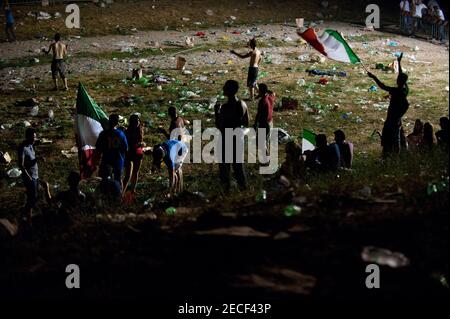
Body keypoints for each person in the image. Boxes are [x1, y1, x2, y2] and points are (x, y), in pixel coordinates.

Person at [368, 53, 409, 158]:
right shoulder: (405, 90)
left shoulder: (395, 91)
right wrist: (399, 62)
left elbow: (382, 86)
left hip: (391, 119)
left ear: (398, 81)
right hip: (397, 119)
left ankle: (388, 156)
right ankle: (396, 155)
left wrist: (374, 77)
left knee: (389, 139)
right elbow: (401, 75)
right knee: (397, 137)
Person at [215, 80, 249, 191]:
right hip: (238, 138)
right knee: (238, 166)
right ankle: (243, 189)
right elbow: (246, 123)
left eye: (225, 87)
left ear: (230, 90)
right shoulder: (242, 104)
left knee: (225, 167)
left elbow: (220, 126)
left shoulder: (225, 108)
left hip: (227, 139)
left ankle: (226, 190)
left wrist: (216, 112)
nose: (223, 88)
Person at [96, 114, 128, 192]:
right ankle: (120, 196)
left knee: (105, 179)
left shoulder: (103, 134)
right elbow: (125, 148)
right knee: (118, 178)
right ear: (117, 122)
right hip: (118, 160)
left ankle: (105, 195)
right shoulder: (121, 134)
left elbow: (98, 148)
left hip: (106, 160)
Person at [18, 128, 39, 227]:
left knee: (32, 198)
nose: (35, 139)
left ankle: (28, 218)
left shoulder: (31, 145)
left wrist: (36, 160)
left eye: (35, 137)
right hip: (30, 177)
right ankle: (23, 214)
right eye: (33, 137)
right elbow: (21, 165)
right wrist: (28, 176)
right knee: (33, 198)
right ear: (28, 137)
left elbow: (31, 161)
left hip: (35, 175)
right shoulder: (22, 148)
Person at [123, 114, 145, 195]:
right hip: (129, 154)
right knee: (128, 175)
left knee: (136, 172)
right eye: (135, 121)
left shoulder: (140, 130)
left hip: (138, 154)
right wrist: (139, 145)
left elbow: (139, 142)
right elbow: (128, 145)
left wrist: (141, 144)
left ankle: (133, 190)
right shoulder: (126, 132)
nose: (137, 123)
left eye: (138, 121)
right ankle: (122, 192)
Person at [254, 83, 275, 156]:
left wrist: (255, 124)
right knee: (266, 141)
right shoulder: (271, 97)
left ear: (260, 91)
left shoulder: (262, 101)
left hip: (264, 124)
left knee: (261, 143)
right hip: (270, 122)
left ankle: (266, 159)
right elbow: (272, 92)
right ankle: (267, 157)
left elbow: (258, 114)